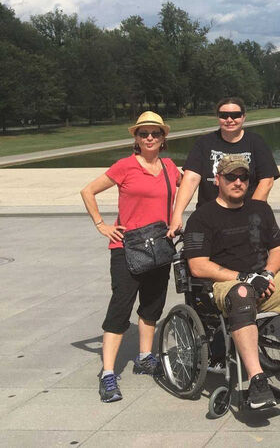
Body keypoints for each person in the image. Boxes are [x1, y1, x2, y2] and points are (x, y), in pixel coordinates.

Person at [185, 154, 280, 410]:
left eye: (243, 177)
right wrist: (244, 278)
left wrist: (267, 274)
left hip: (262, 280)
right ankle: (257, 380)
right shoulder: (202, 217)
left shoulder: (260, 209)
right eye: (231, 177)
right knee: (243, 293)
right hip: (226, 285)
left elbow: (278, 248)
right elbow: (198, 264)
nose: (238, 182)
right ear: (218, 180)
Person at [80, 111, 181, 403]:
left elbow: (190, 185)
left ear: (164, 138)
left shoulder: (170, 167)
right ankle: (108, 373)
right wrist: (101, 224)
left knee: (152, 305)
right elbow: (88, 191)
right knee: (120, 307)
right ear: (135, 138)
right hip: (127, 247)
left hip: (160, 244)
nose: (149, 138)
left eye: (155, 133)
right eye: (143, 133)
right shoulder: (125, 166)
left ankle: (145, 357)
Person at [170, 97, 280, 230]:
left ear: (243, 117)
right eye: (224, 116)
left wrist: (249, 213)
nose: (229, 120)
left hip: (248, 216)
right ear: (218, 117)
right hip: (210, 217)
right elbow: (190, 179)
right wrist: (177, 215)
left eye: (235, 115)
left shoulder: (256, 142)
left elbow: (266, 181)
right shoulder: (204, 143)